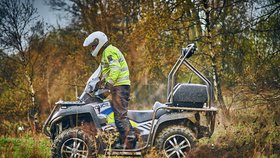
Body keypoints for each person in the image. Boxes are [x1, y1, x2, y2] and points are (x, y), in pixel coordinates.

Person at [83, 31, 136, 149]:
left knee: (120, 115)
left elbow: (115, 70)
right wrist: (98, 84)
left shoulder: (109, 51)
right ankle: (122, 138)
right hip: (118, 86)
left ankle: (129, 142)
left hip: (120, 87)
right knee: (114, 113)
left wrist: (108, 86)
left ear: (98, 43)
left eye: (92, 46)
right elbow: (104, 72)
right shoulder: (106, 53)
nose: (92, 49)